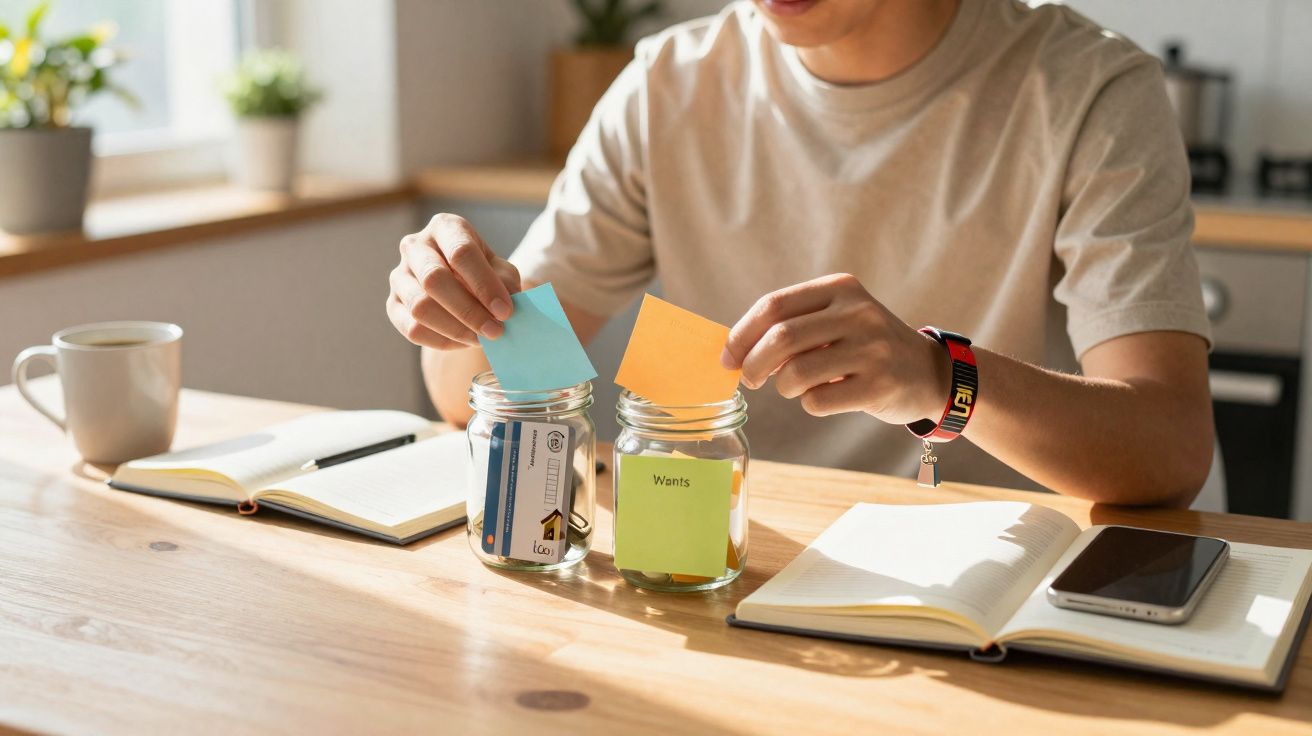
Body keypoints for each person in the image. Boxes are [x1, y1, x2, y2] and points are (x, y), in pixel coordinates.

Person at [386, 0, 1214, 507]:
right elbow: (476, 399)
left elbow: (1170, 452)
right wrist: (463, 309)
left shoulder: (1090, 91)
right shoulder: (669, 85)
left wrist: (941, 377)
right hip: (729, 557)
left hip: (980, 590)